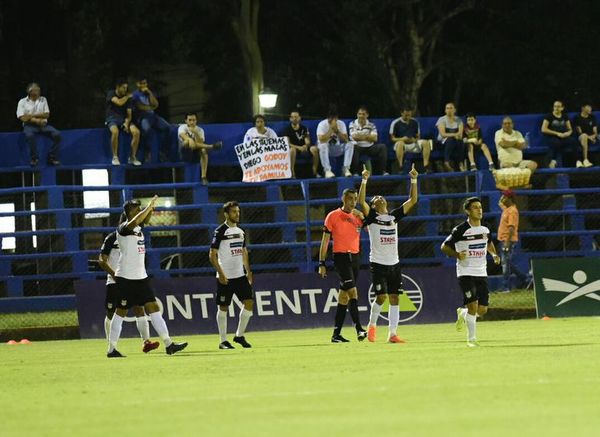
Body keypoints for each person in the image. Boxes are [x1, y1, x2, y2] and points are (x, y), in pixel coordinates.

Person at [107, 197, 188, 357]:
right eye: (136, 209)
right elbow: (138, 219)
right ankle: (111, 349)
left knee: (154, 308)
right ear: (128, 212)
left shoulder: (138, 229)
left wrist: (151, 208)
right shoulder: (123, 228)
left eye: (139, 208)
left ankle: (168, 344)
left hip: (141, 277)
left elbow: (144, 219)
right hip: (125, 277)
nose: (139, 211)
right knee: (120, 312)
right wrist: (147, 208)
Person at [359, 163, 419, 343]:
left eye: (381, 196)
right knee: (381, 296)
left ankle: (393, 334)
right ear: (374, 206)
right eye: (375, 198)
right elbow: (361, 201)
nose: (379, 198)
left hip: (394, 263)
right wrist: (364, 180)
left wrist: (414, 179)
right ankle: (372, 326)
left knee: (395, 298)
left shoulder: (394, 217)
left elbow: (413, 200)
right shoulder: (372, 218)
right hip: (378, 263)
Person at [441, 197, 501, 347]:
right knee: (473, 305)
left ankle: (462, 313)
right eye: (475, 207)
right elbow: (444, 246)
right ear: (467, 211)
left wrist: (493, 254)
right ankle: (471, 339)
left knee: (482, 310)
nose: (479, 210)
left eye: (480, 207)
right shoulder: (460, 229)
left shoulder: (486, 228)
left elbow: (489, 243)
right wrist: (457, 254)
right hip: (465, 271)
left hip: (481, 272)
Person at [318, 188, 368, 342]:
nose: (353, 202)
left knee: (344, 296)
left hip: (355, 257)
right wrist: (322, 262)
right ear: (343, 199)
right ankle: (359, 328)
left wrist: (363, 217)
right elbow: (325, 241)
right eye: (350, 198)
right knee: (353, 292)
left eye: (355, 199)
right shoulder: (332, 216)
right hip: (341, 258)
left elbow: (369, 230)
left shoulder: (357, 216)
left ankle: (336, 334)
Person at [98, 230, 159, 353]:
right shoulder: (111, 237)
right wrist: (114, 275)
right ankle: (111, 345)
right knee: (111, 312)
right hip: (115, 281)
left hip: (131, 280)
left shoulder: (135, 238)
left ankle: (146, 342)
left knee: (139, 308)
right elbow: (101, 260)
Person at [209, 201, 254, 350]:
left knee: (249, 303)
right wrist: (221, 274)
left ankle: (239, 335)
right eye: (234, 212)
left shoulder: (241, 231)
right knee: (223, 307)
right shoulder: (220, 231)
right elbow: (212, 255)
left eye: (238, 211)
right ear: (226, 214)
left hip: (239, 275)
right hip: (225, 276)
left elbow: (244, 251)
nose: (237, 214)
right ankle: (223, 341)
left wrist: (248, 271)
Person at [16, 82, 61, 166]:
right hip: (29, 125)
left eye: (39, 90)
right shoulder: (22, 102)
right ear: (30, 92)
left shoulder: (43, 99)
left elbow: (46, 114)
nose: (38, 92)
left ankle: (52, 156)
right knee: (29, 136)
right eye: (36, 90)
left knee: (57, 134)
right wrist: (36, 120)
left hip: (43, 124)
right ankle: (34, 158)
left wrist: (31, 116)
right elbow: (22, 117)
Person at [132, 77, 172, 162]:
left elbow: (156, 104)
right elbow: (140, 107)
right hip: (142, 117)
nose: (144, 85)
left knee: (167, 127)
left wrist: (150, 93)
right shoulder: (135, 95)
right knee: (147, 131)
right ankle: (147, 152)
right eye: (142, 83)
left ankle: (162, 150)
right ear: (137, 84)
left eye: (145, 83)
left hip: (153, 116)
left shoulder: (148, 93)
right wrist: (151, 107)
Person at [497, 190, 529, 292]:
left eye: (504, 197)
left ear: (509, 199)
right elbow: (500, 203)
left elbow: (511, 228)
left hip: (508, 240)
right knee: (507, 262)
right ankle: (524, 278)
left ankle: (506, 286)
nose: (502, 198)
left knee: (505, 264)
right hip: (503, 239)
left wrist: (507, 242)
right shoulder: (507, 209)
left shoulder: (512, 211)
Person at [178, 112, 222, 185]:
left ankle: (203, 177)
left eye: (194, 120)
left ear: (196, 121)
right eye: (190, 120)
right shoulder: (182, 127)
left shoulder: (200, 130)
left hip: (195, 153)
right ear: (186, 121)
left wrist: (195, 133)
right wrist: (190, 140)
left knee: (203, 150)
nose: (192, 122)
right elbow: (184, 136)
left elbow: (201, 144)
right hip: (184, 153)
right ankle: (211, 146)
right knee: (186, 142)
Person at [105, 78, 141, 166]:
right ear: (118, 87)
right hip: (111, 118)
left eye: (126, 88)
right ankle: (115, 157)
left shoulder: (128, 99)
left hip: (123, 119)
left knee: (136, 132)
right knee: (115, 131)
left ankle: (132, 157)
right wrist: (127, 96)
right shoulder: (111, 93)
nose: (125, 90)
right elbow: (119, 102)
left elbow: (129, 115)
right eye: (123, 88)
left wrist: (126, 123)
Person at [389, 107, 432, 174]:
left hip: (413, 143)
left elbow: (418, 136)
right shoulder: (396, 123)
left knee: (426, 143)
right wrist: (402, 139)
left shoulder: (414, 122)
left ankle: (426, 166)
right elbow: (392, 138)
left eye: (409, 115)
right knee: (400, 143)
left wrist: (414, 140)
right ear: (402, 113)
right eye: (406, 115)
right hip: (402, 144)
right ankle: (400, 167)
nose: (408, 117)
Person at [349, 106, 388, 175]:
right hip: (358, 147)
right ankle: (355, 172)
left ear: (367, 115)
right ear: (357, 114)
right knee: (353, 147)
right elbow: (354, 137)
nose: (361, 116)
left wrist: (361, 136)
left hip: (370, 147)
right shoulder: (352, 123)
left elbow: (375, 138)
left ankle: (383, 171)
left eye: (363, 114)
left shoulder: (371, 125)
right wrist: (368, 136)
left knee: (382, 147)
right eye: (359, 114)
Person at [280, 110, 319, 178]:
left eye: (296, 117)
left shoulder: (303, 128)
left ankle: (314, 170)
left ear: (299, 118)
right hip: (294, 148)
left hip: (304, 148)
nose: (295, 119)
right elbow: (287, 143)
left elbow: (307, 141)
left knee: (314, 149)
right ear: (290, 119)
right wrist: (298, 147)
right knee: (292, 150)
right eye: (293, 117)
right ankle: (292, 172)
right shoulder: (287, 129)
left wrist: (305, 145)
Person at [316, 109, 354, 178]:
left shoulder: (341, 123)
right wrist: (331, 129)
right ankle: (327, 170)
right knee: (323, 145)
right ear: (328, 118)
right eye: (331, 118)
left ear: (337, 118)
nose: (333, 120)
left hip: (337, 148)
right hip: (326, 149)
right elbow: (321, 140)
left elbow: (346, 139)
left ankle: (346, 169)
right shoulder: (322, 124)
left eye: (335, 118)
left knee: (350, 144)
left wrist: (337, 131)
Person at [541, 100, 579, 168]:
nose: (556, 108)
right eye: (555, 106)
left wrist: (567, 133)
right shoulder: (549, 116)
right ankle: (553, 160)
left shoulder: (565, 116)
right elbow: (543, 129)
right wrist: (557, 133)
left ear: (562, 108)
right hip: (552, 137)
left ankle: (577, 161)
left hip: (563, 136)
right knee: (556, 143)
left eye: (558, 107)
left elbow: (570, 129)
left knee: (574, 141)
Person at [436, 102, 465, 172]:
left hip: (456, 142)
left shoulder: (459, 120)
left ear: (455, 110)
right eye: (447, 108)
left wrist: (456, 135)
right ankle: (446, 162)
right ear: (445, 110)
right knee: (450, 139)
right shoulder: (441, 119)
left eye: (451, 108)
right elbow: (443, 134)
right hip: (442, 142)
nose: (449, 110)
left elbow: (460, 134)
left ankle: (461, 163)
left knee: (461, 141)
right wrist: (455, 135)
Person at [571, 103, 595, 168]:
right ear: (583, 108)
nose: (590, 109)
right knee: (584, 136)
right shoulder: (577, 117)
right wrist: (589, 137)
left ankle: (580, 161)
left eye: (590, 107)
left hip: (591, 139)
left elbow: (595, 131)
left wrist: (593, 136)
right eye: (588, 107)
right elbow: (580, 132)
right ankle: (585, 160)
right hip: (580, 138)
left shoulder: (592, 117)